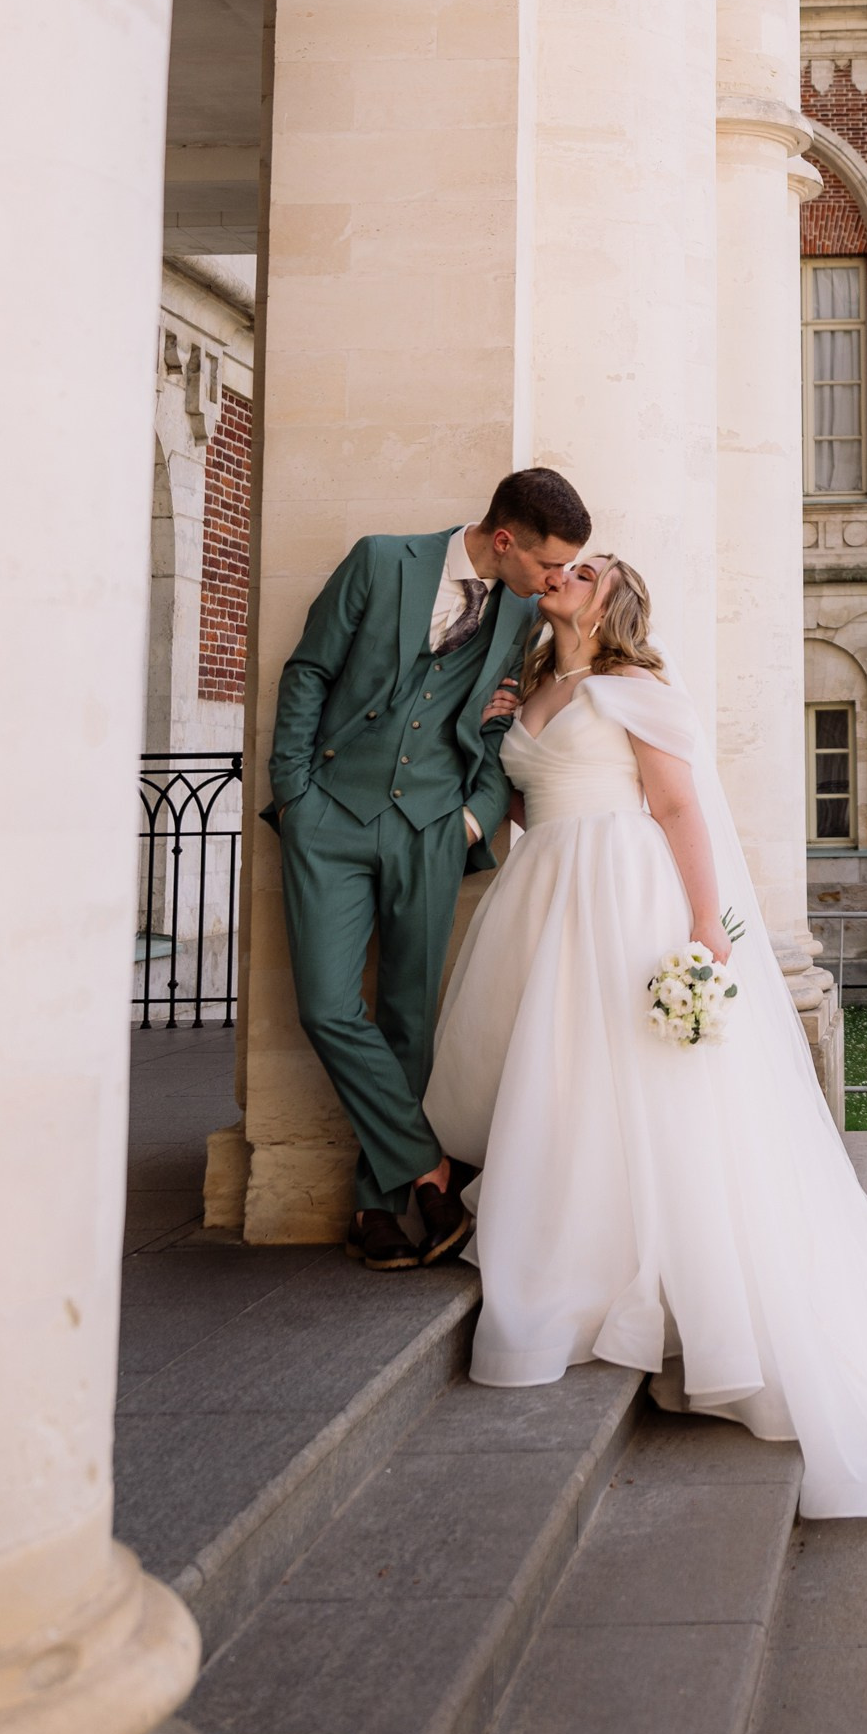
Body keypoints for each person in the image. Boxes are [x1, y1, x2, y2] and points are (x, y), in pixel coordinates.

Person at [426, 556, 867, 1519]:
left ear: (613, 599)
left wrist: (707, 927)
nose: (562, 575)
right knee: (562, 1078)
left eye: (582, 569)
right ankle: (570, 1241)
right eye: (559, 564)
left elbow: (678, 809)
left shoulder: (637, 691)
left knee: (631, 1076)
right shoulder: (533, 684)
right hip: (540, 894)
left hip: (622, 893)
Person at [269, 466, 593, 1270]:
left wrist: (474, 820)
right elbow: (308, 671)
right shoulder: (382, 562)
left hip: (434, 828)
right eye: (550, 562)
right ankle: (430, 1169)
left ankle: (376, 1211)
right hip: (332, 816)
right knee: (326, 1007)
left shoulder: (524, 616)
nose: (557, 579)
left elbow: (499, 732)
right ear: (506, 539)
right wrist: (296, 794)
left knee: (410, 1019)